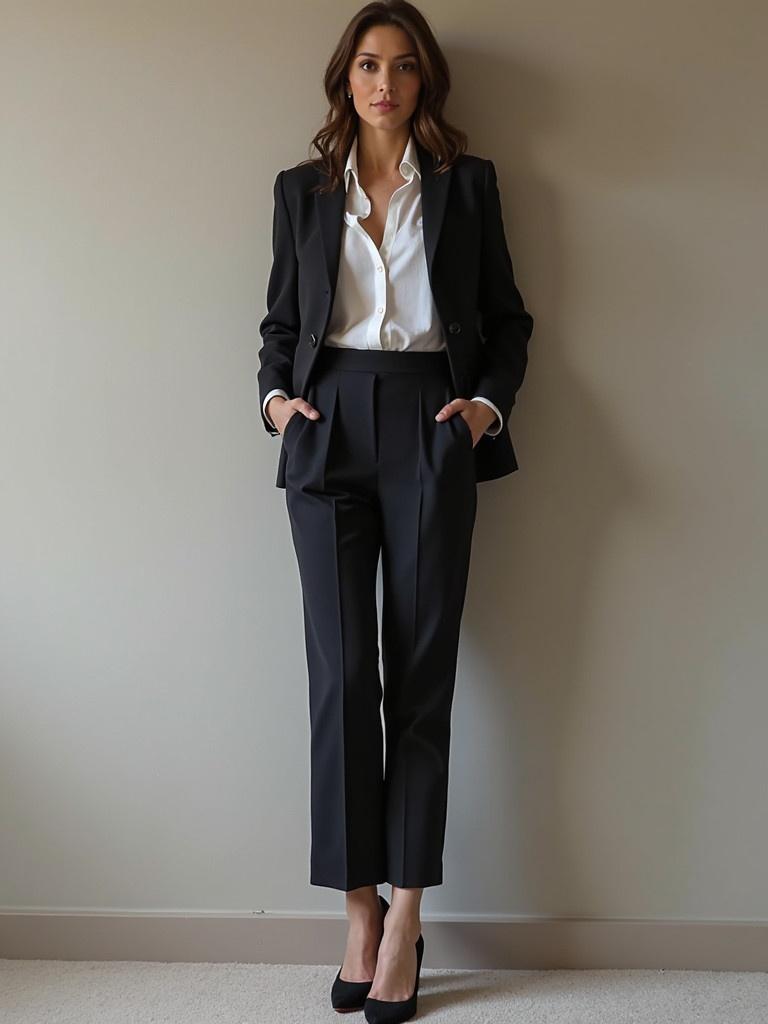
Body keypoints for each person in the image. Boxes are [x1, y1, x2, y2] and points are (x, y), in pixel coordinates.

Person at [257, 3, 534, 1020]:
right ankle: (359, 908)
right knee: (342, 678)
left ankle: (410, 913)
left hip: (429, 421)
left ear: (426, 83)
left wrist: (480, 413)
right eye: (369, 64)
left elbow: (507, 317)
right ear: (346, 79)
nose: (385, 82)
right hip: (325, 423)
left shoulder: (467, 188)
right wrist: (277, 406)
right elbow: (281, 319)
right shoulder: (300, 191)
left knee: (420, 674)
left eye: (404, 66)